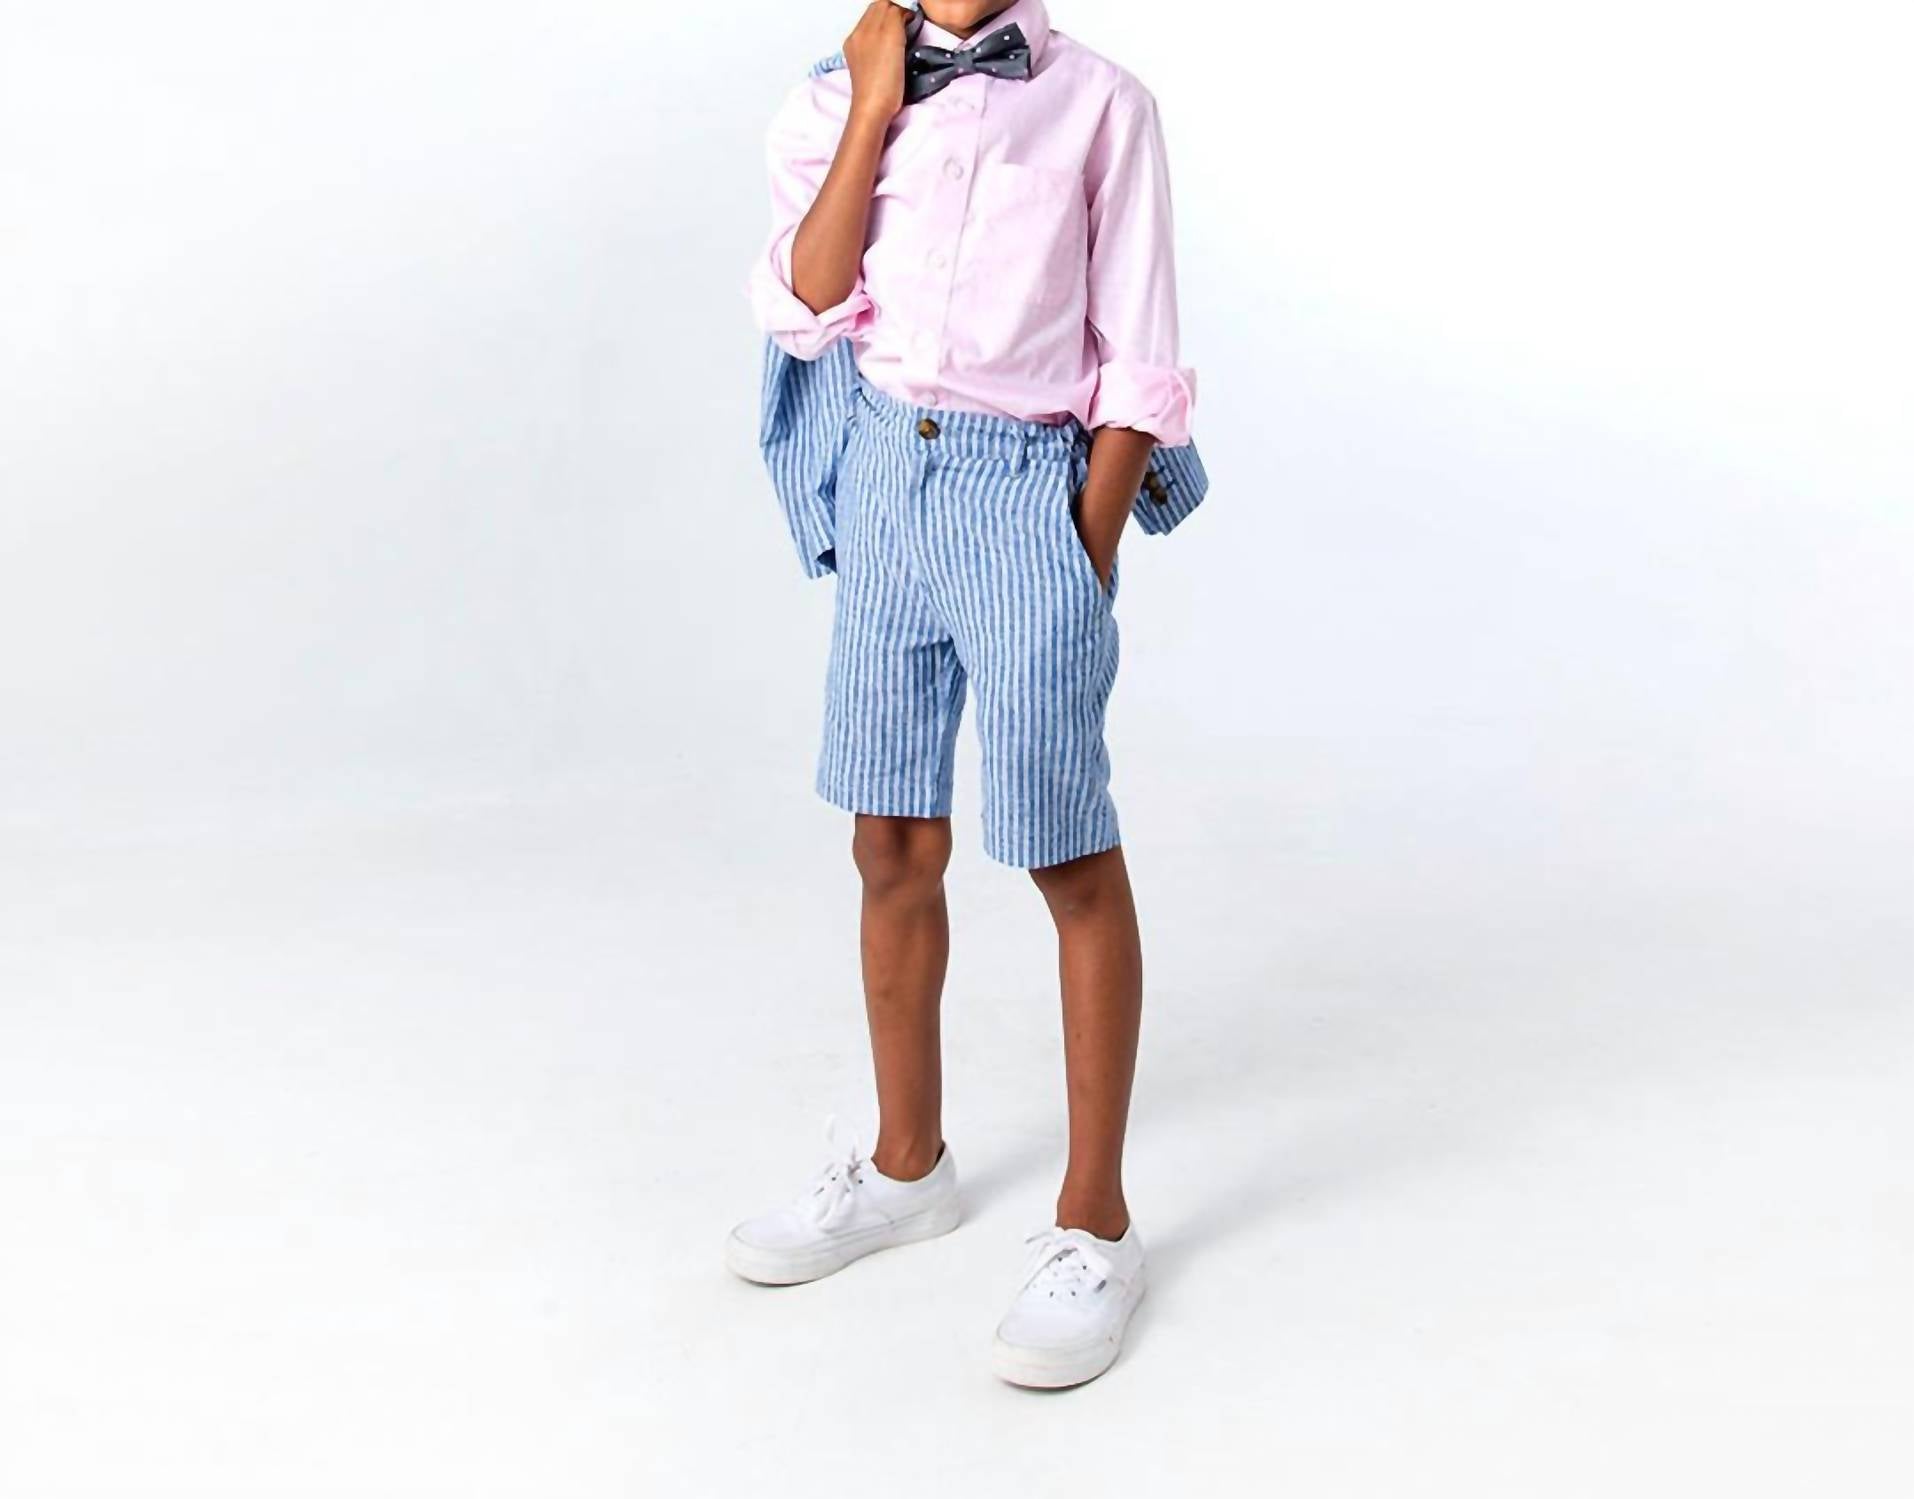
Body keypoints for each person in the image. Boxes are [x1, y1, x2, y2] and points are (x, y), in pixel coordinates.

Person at [730, 0, 1201, 1389]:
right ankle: (904, 1167)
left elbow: (1140, 356)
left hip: (1024, 491)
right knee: (887, 838)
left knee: (1064, 849)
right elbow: (808, 301)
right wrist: (876, 101)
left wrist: (1081, 552)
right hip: (882, 475)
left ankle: (1096, 1224)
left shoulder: (1103, 105)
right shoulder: (833, 96)